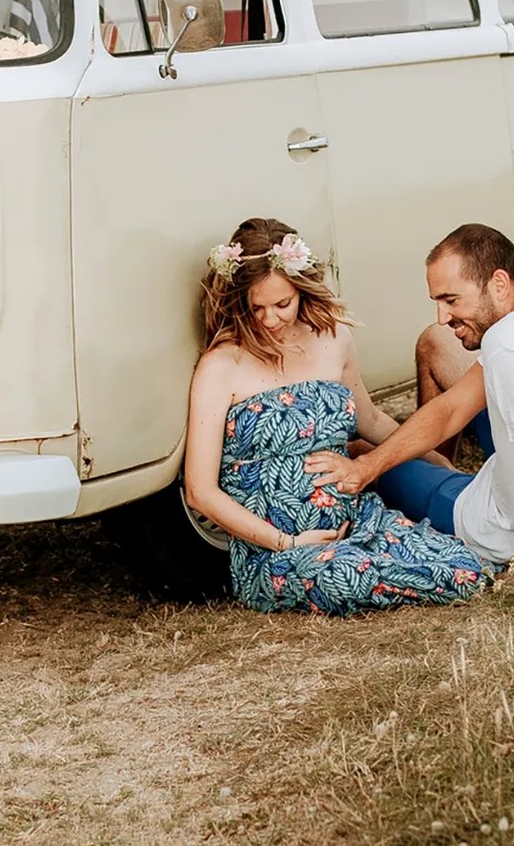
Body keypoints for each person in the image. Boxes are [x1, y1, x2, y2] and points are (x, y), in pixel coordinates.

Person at [183, 217, 495, 615]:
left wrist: (428, 453)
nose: (269, 319)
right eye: (256, 307)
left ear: (302, 289)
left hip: (355, 519)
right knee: (343, 577)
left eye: (282, 304)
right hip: (276, 551)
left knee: (464, 567)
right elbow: (200, 490)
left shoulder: (333, 341)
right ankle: (343, 565)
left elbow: (371, 421)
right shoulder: (221, 365)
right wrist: (286, 542)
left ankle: (378, 554)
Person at [304, 224, 514, 580]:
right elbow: (450, 410)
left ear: (499, 284)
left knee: (357, 449)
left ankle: (439, 481)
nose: (443, 317)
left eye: (451, 300)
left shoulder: (510, 344)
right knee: (434, 345)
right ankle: (438, 465)